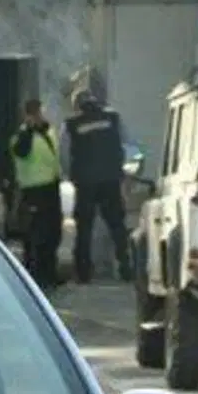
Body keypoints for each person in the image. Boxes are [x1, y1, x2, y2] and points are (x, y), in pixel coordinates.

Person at [64, 90, 134, 285]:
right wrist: (124, 172)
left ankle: (83, 273)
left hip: (85, 182)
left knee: (84, 228)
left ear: (77, 105)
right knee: (117, 226)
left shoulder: (71, 124)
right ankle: (126, 268)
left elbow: (64, 154)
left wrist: (72, 175)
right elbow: (129, 146)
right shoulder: (113, 118)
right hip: (111, 180)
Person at [10, 97, 64, 287]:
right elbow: (21, 152)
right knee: (35, 237)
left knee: (53, 233)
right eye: (35, 113)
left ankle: (49, 273)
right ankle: (34, 276)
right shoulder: (22, 137)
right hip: (33, 192)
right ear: (27, 116)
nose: (39, 116)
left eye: (40, 112)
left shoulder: (49, 132)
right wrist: (30, 128)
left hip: (51, 189)